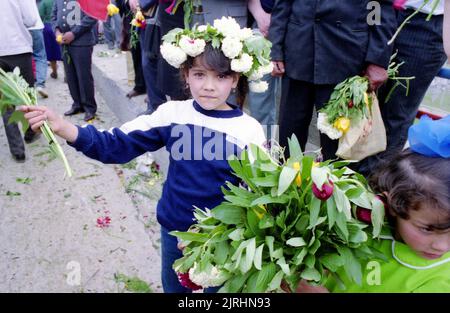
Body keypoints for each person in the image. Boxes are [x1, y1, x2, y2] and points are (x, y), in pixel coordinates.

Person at [19, 18, 268, 293]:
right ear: (185, 75)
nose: (209, 86)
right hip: (174, 233)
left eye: (220, 76)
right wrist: (64, 128)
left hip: (222, 242)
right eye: (199, 74)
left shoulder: (249, 130)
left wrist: (223, 233)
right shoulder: (171, 114)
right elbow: (115, 144)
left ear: (235, 79)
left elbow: (258, 194)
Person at [295, 116, 450, 293]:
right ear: (392, 204)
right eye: (427, 229)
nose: (442, 246)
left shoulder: (442, 279)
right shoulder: (357, 224)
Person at [269, 1, 397, 160]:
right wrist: (275, 47)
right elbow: (283, 5)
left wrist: (377, 60)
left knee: (336, 146)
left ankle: (331, 184)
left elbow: (378, 8)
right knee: (288, 136)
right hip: (297, 53)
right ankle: (283, 181)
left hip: (345, 60)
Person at [357, 0, 448, 176]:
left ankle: (369, 188)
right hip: (377, 10)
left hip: (423, 22)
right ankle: (342, 177)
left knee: (395, 113)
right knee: (358, 104)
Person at [0, 0, 40, 162]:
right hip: (19, 49)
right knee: (27, 96)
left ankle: (17, 150)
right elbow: (31, 19)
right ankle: (31, 131)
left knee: (5, 102)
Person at [52, 0, 98, 122]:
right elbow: (53, 16)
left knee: (84, 76)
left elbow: (92, 16)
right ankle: (77, 104)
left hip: (81, 41)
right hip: (64, 43)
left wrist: (73, 33)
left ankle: (89, 107)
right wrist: (56, 31)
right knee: (70, 75)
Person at [29, 0, 49, 99]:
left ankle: (28, 86)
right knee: (40, 56)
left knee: (25, 56)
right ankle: (40, 85)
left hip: (20, 28)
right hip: (35, 26)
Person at [39, 0, 62, 80]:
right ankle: (67, 75)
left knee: (52, 52)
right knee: (64, 50)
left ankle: (54, 72)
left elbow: (40, 16)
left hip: (48, 27)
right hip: (60, 26)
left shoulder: (44, 2)